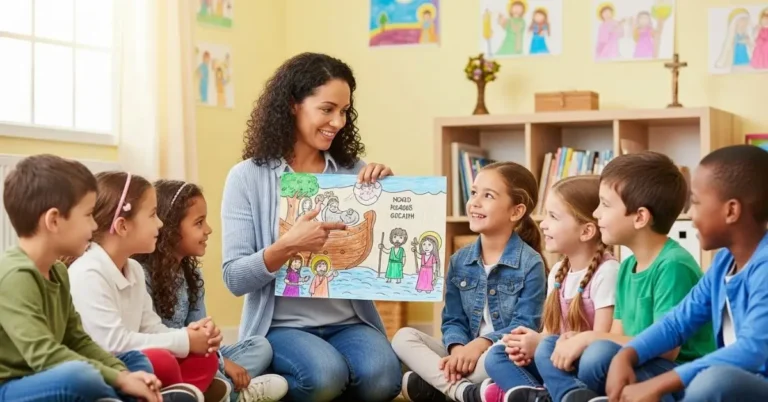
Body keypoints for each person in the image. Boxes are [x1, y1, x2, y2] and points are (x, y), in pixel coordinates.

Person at [220, 52, 401, 402]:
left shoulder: (353, 172)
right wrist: (287, 245)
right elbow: (234, 278)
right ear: (293, 105)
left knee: (382, 377)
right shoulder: (247, 177)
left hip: (349, 322)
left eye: (345, 111)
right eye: (327, 109)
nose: (338, 121)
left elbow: (383, 259)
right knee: (324, 376)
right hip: (281, 327)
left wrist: (389, 200)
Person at [0, 154, 196, 402]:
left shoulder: (58, 272)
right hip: (12, 387)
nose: (95, 226)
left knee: (134, 360)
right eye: (88, 215)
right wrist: (121, 379)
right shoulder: (15, 275)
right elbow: (44, 356)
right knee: (79, 375)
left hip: (54, 376)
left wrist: (124, 373)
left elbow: (77, 339)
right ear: (53, 220)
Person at [534, 152, 715, 402]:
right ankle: (572, 395)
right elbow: (617, 332)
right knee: (549, 346)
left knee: (597, 354)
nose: (596, 214)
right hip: (633, 362)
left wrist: (589, 338)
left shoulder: (673, 266)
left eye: (605, 205)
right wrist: (578, 339)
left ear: (640, 217)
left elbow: (667, 350)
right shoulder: (628, 265)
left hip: (674, 374)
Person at [603, 145, 768, 402]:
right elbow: (677, 322)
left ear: (731, 211)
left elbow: (753, 351)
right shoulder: (725, 262)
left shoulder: (765, 266)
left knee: (714, 381)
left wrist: (660, 384)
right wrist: (628, 354)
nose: (690, 214)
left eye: (697, 202)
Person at [392, 161, 547, 402]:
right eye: (474, 192)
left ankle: (439, 385)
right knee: (403, 337)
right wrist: (457, 350)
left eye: (488, 195)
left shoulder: (531, 263)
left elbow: (524, 326)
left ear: (516, 211)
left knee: (498, 356)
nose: (474, 201)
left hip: (498, 355)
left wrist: (479, 345)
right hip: (463, 352)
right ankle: (466, 392)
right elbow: (453, 320)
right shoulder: (459, 260)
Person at [68, 171, 226, 401]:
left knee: (205, 359)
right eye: (152, 215)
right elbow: (113, 344)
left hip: (132, 361)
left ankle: (167, 392)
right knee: (160, 361)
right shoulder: (89, 273)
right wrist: (184, 341)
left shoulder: (133, 270)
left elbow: (152, 328)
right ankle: (169, 393)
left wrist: (191, 336)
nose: (160, 223)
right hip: (104, 368)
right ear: (122, 226)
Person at [135, 179, 288, 401]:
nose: (208, 230)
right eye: (198, 223)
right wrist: (219, 363)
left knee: (260, 346)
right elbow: (149, 342)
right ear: (170, 228)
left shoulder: (192, 276)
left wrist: (220, 359)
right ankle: (234, 393)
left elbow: (205, 339)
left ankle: (219, 390)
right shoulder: (142, 275)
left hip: (197, 356)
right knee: (188, 364)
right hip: (166, 358)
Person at [482, 175, 620, 402]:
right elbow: (549, 331)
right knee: (497, 354)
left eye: (553, 217)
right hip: (554, 358)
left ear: (586, 231)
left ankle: (570, 393)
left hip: (583, 364)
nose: (543, 224)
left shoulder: (607, 272)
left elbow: (602, 342)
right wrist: (529, 343)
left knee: (546, 346)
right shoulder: (558, 271)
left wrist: (543, 343)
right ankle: (543, 396)